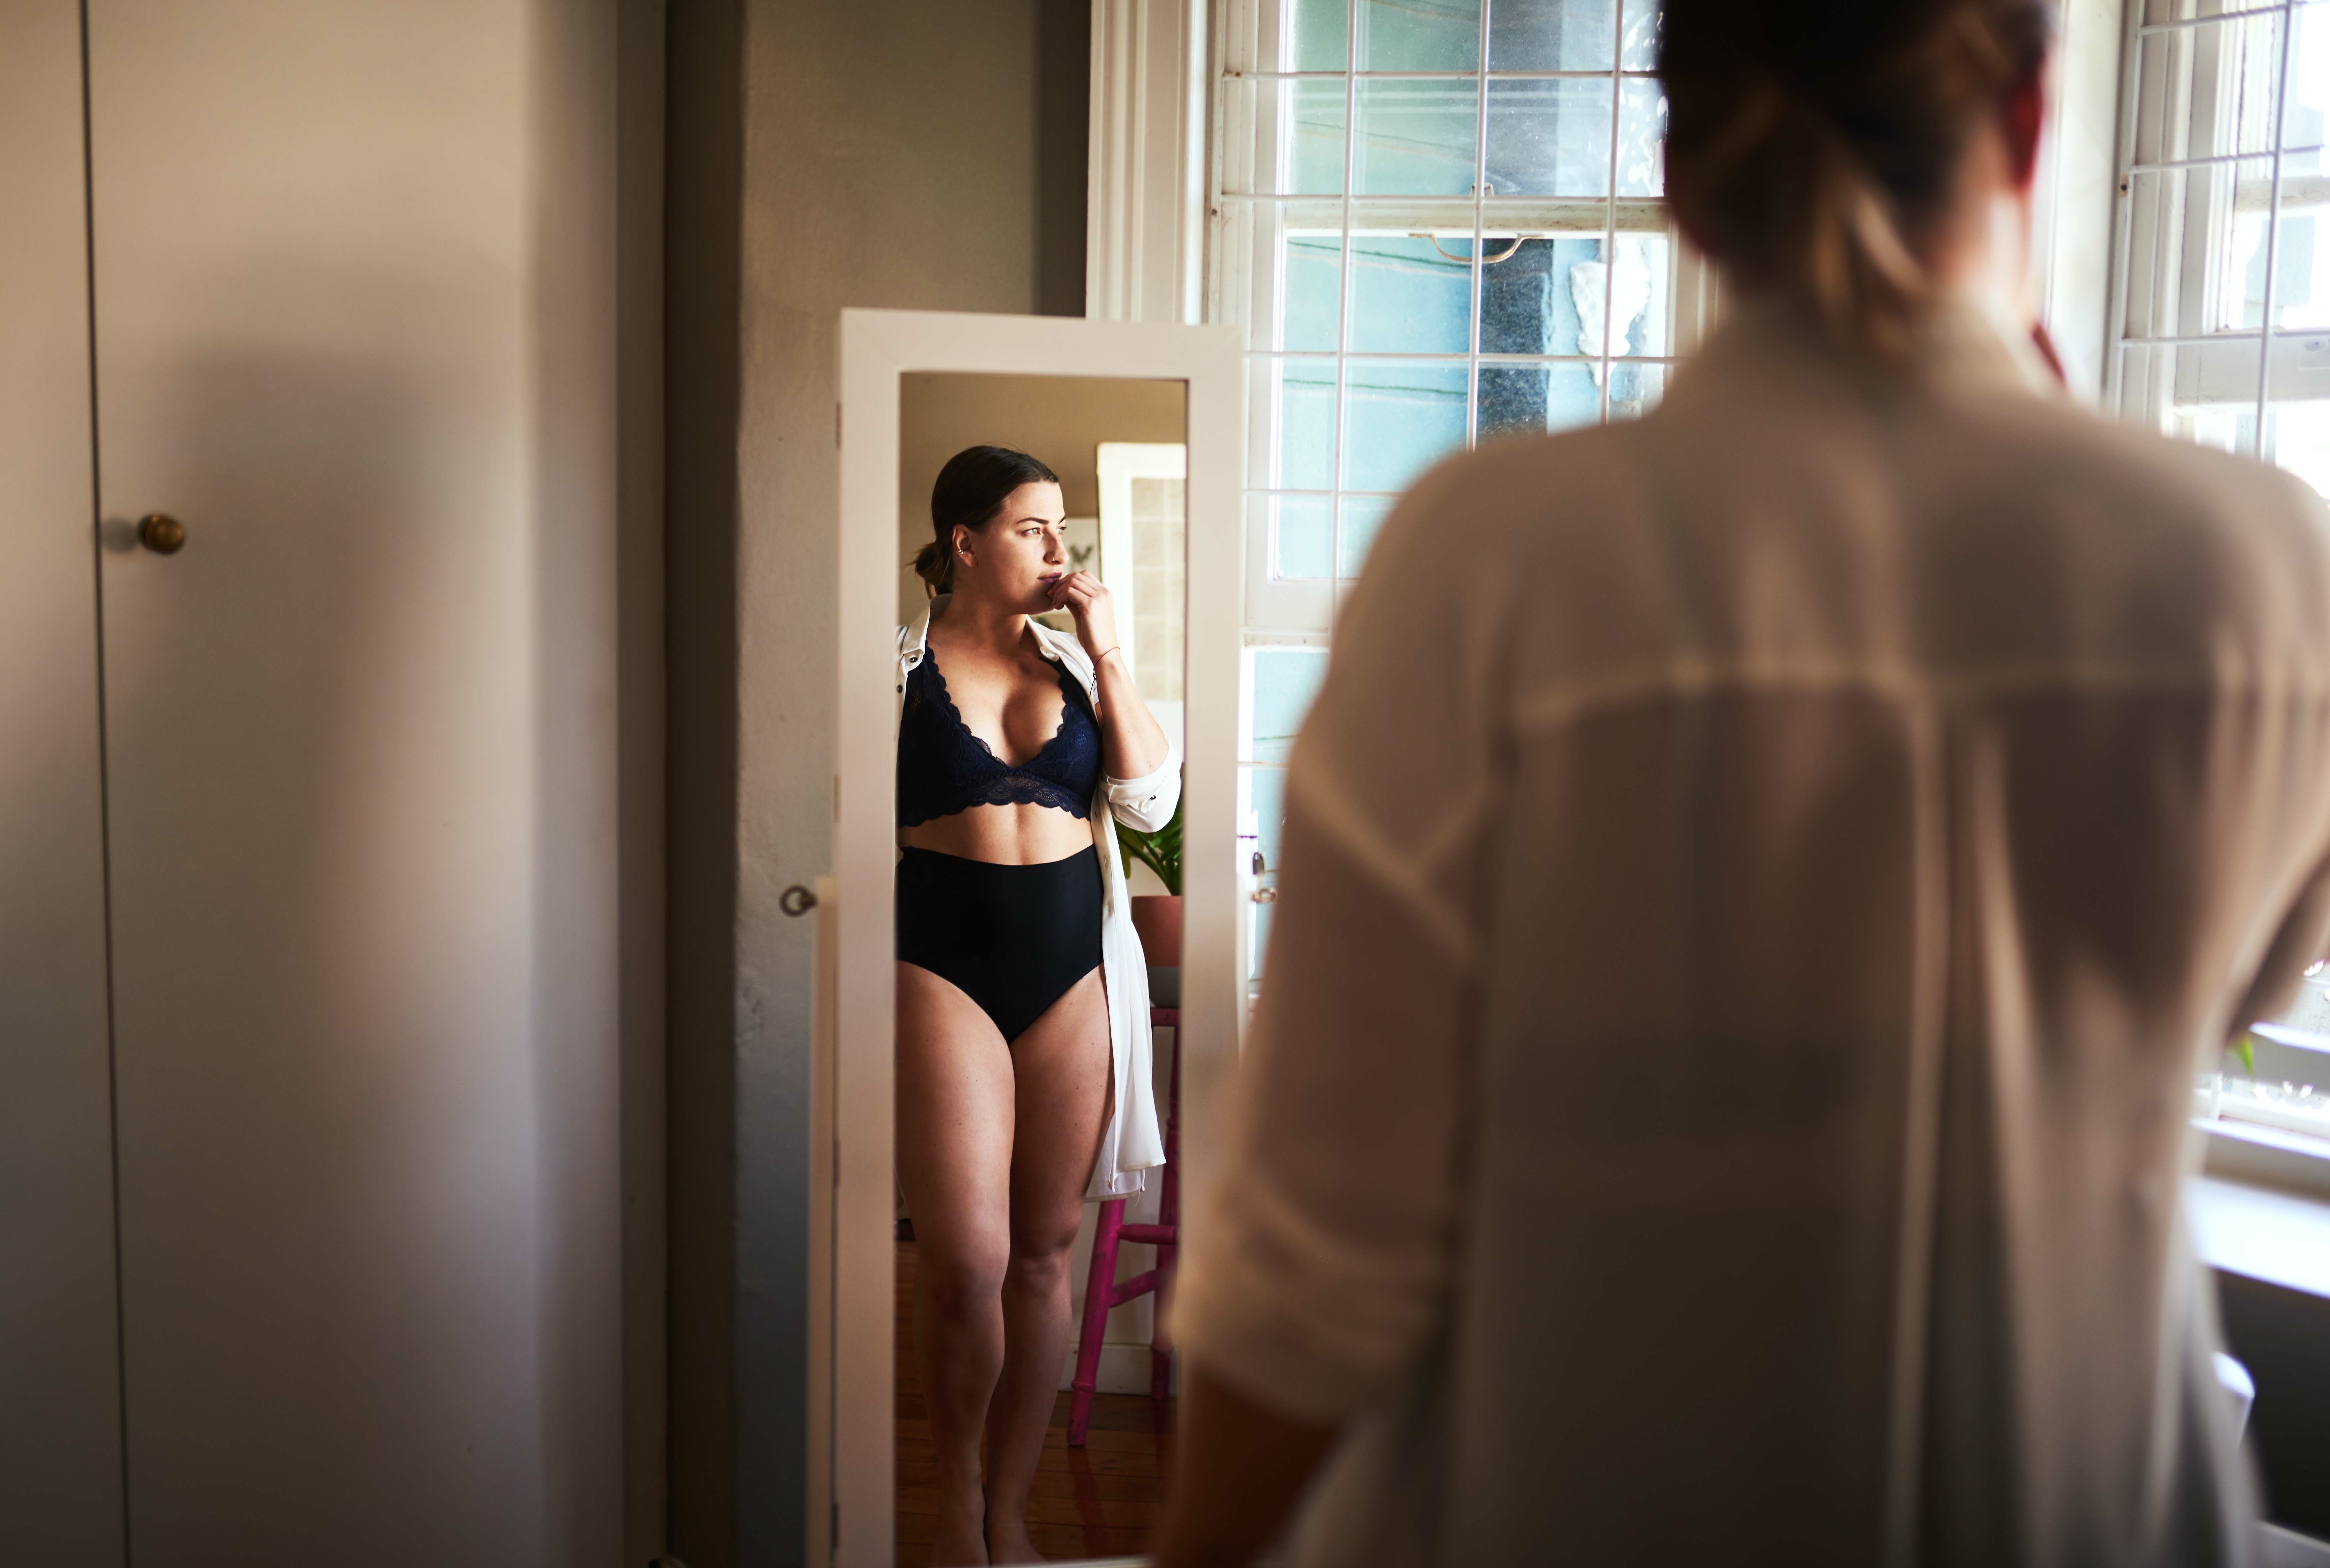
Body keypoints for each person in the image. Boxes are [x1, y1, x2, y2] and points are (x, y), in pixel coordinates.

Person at [1157, 2, 2325, 1564]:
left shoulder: (1491, 562)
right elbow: (2239, 978)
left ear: (1681, 180)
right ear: (2031, 123)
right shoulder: (2259, 569)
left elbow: (1319, 1267)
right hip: (2078, 1502)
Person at [895, 444, 1178, 1564]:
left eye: (1064, 530)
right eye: (1032, 529)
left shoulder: (1074, 665)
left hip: (1073, 972)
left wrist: (1109, 650)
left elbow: (1153, 799)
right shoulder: (892, 668)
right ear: (965, 543)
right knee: (963, 1257)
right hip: (938, 964)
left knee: (1044, 1253)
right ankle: (954, 1490)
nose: (1061, 551)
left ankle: (1007, 1510)